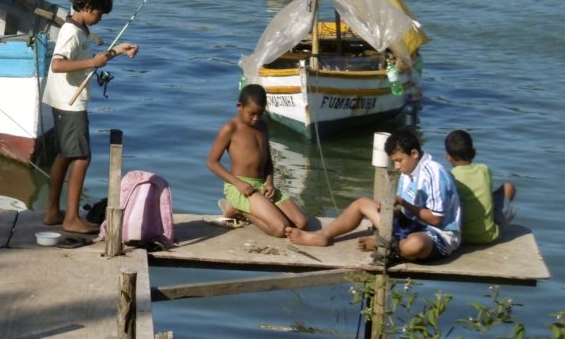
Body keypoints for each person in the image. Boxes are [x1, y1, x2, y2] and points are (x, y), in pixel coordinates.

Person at [41, 0, 138, 234]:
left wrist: (115, 51)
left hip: (62, 100)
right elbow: (58, 65)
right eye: (98, 13)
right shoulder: (71, 33)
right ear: (86, 7)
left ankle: (53, 211)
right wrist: (93, 61)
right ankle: (71, 218)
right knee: (82, 157)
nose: (99, 18)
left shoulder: (80, 29)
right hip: (69, 103)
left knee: (65, 153)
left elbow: (88, 61)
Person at [286, 128, 462, 261]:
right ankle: (323, 235)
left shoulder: (434, 174)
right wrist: (388, 211)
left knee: (415, 246)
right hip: (411, 224)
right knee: (362, 203)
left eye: (400, 161)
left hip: (436, 233)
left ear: (414, 153)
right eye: (395, 162)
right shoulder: (408, 172)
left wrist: (403, 203)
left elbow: (436, 219)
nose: (398, 167)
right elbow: (405, 210)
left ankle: (385, 245)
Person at [206, 83, 308, 237]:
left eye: (260, 114)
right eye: (251, 113)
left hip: (261, 185)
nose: (256, 118)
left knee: (301, 223)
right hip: (240, 186)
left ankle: (245, 208)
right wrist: (238, 183)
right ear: (239, 106)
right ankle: (240, 209)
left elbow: (267, 159)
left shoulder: (263, 127)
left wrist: (269, 181)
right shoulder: (230, 128)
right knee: (280, 229)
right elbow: (212, 163)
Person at [445, 129, 517, 245]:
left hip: (463, 236)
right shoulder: (484, 169)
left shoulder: (451, 177)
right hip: (489, 235)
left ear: (448, 157)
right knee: (509, 187)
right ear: (473, 151)